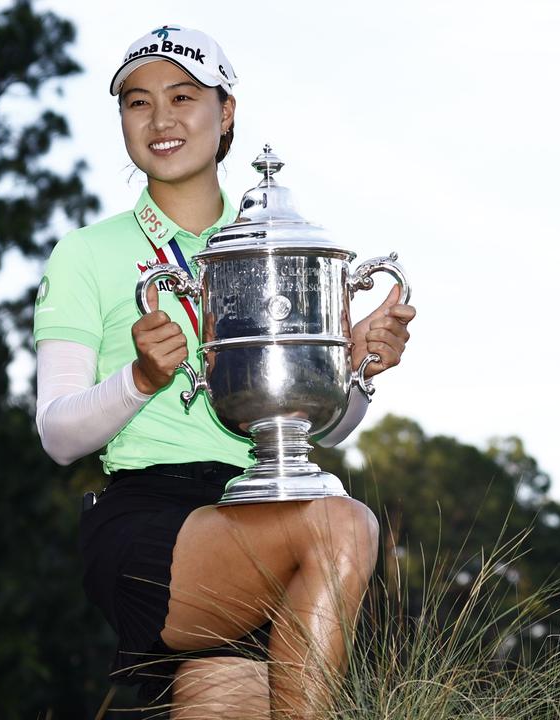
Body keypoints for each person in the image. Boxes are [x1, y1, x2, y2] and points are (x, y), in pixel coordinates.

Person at [32, 25, 416, 719]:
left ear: (226, 112)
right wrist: (139, 381)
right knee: (342, 527)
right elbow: (58, 436)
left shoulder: (275, 245)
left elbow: (315, 427)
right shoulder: (85, 254)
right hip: (152, 520)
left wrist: (353, 363)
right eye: (138, 103)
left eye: (183, 97)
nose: (161, 119)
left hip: (264, 509)